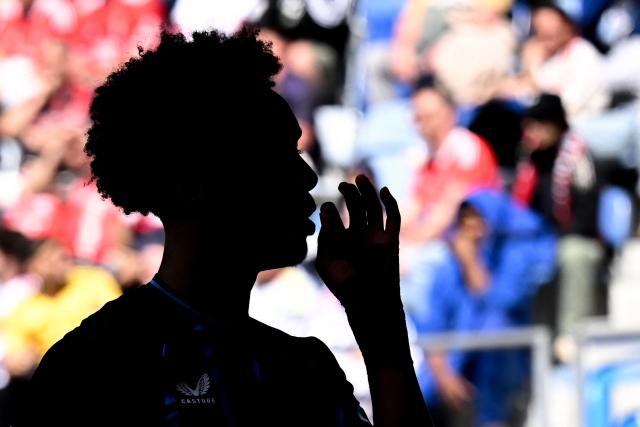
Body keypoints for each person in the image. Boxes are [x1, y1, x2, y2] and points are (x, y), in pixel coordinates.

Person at [19, 28, 432, 426]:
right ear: (196, 183)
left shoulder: (304, 368)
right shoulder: (97, 366)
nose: (306, 178)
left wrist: (380, 322)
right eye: (275, 157)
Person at [416, 189, 556, 426]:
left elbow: (500, 300)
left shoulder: (516, 253)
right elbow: (431, 322)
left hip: (500, 365)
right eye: (466, 220)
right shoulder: (448, 267)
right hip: (454, 367)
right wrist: (442, 374)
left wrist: (471, 262)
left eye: (478, 219)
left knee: (496, 329)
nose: (472, 229)